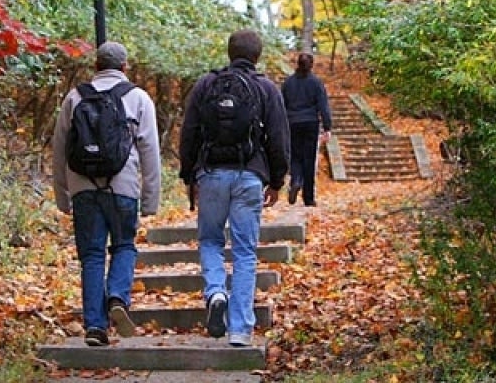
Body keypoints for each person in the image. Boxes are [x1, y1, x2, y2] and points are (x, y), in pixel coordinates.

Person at [179, 29, 290, 347]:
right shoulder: (266, 88)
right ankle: (240, 328)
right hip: (249, 176)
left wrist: (189, 177)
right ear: (258, 55)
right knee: (244, 252)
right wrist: (276, 180)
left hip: (211, 174)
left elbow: (189, 133)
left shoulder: (206, 85)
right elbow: (279, 138)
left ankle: (215, 292)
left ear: (229, 53)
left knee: (210, 240)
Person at [52, 41, 161, 347]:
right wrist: (150, 199)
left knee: (91, 255)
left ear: (96, 66)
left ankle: (95, 327)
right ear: (124, 67)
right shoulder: (138, 97)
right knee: (124, 245)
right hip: (123, 185)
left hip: (83, 187)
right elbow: (150, 151)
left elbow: (59, 149)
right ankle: (117, 297)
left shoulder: (74, 97)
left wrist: (62, 195)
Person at [281, 52, 332, 207]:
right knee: (309, 158)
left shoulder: (288, 83)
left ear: (297, 64)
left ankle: (296, 180)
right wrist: (327, 127)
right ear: (311, 65)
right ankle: (308, 198)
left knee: (295, 155)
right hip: (310, 123)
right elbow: (323, 105)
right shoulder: (316, 83)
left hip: (292, 122)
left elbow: (281, 105)